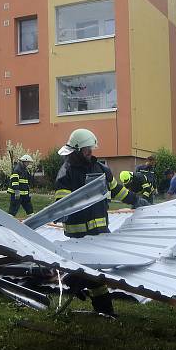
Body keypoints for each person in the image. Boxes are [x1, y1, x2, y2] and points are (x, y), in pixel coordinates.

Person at [54, 129, 150, 315]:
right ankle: (98, 303)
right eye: (86, 150)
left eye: (91, 149)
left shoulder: (101, 170)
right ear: (76, 150)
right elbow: (62, 204)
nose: (90, 152)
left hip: (100, 231)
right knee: (93, 275)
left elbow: (117, 191)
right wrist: (60, 213)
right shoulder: (66, 173)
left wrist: (136, 200)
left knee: (96, 273)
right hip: (78, 234)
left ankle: (76, 282)